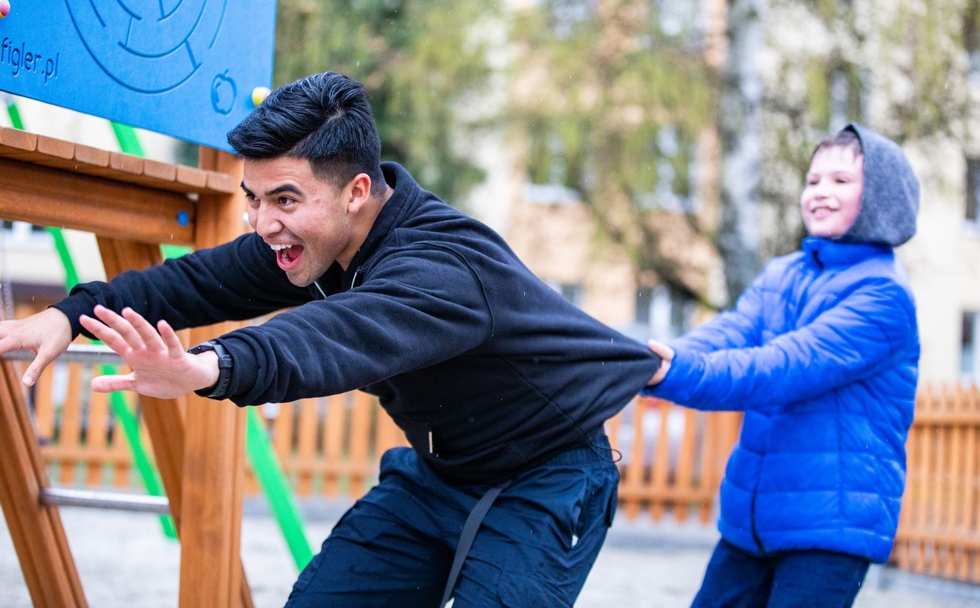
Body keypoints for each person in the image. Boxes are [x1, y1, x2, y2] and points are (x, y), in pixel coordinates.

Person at [0, 71, 662, 607]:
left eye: (284, 200)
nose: (263, 224)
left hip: (546, 475)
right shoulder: (310, 242)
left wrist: (211, 364)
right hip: (442, 471)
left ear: (358, 191)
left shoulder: (440, 269)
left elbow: (333, 335)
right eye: (252, 198)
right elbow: (194, 282)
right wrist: (71, 311)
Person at [643, 123, 921, 607]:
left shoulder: (882, 295)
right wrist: (655, 357)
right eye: (812, 181)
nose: (819, 193)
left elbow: (784, 367)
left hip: (829, 529)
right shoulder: (784, 273)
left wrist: (680, 375)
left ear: (878, 197)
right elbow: (730, 332)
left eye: (840, 181)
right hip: (753, 522)